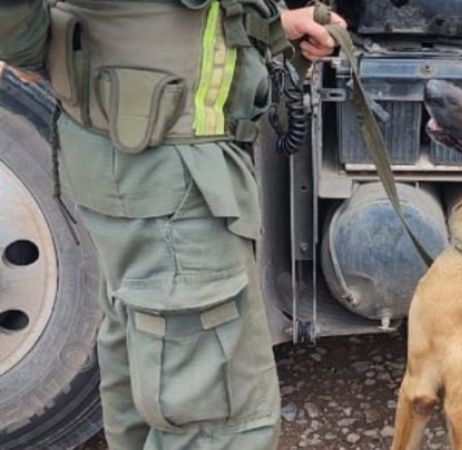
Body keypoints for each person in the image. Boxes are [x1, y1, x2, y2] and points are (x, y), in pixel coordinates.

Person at [0, 1, 345, 449]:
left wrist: (272, 25)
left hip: (138, 165)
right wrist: (35, 51)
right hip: (171, 175)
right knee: (214, 420)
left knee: (146, 374)